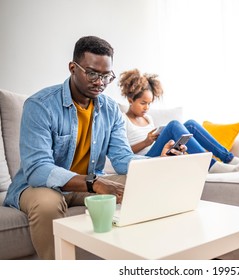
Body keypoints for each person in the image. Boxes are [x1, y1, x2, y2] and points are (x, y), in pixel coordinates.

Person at [2, 36, 184, 260]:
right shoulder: (40, 105)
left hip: (85, 184)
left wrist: (159, 163)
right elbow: (38, 169)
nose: (100, 82)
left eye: (106, 76)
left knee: (144, 182)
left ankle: (143, 260)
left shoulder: (110, 110)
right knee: (48, 204)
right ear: (72, 68)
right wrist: (94, 182)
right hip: (38, 187)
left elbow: (121, 158)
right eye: (92, 73)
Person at [118, 69, 239, 173]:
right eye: (143, 103)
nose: (147, 107)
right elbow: (121, 155)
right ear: (130, 100)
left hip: (160, 153)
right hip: (144, 161)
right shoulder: (123, 120)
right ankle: (210, 164)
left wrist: (158, 140)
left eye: (149, 103)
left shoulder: (148, 118)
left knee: (191, 125)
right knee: (174, 124)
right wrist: (146, 142)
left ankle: (229, 158)